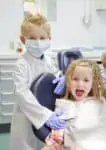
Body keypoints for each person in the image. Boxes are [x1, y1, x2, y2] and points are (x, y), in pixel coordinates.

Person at [42, 59, 106, 150]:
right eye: (75, 79)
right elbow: (56, 141)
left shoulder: (100, 103)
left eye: (86, 80)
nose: (80, 84)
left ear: (93, 83)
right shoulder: (65, 107)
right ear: (68, 81)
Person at [10, 13, 66, 150]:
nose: (38, 42)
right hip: (26, 115)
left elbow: (53, 75)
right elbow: (22, 94)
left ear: (49, 39)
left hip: (46, 110)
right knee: (26, 145)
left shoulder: (48, 58)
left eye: (42, 38)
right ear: (23, 40)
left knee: (45, 145)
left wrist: (61, 78)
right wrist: (46, 115)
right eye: (32, 38)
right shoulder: (22, 64)